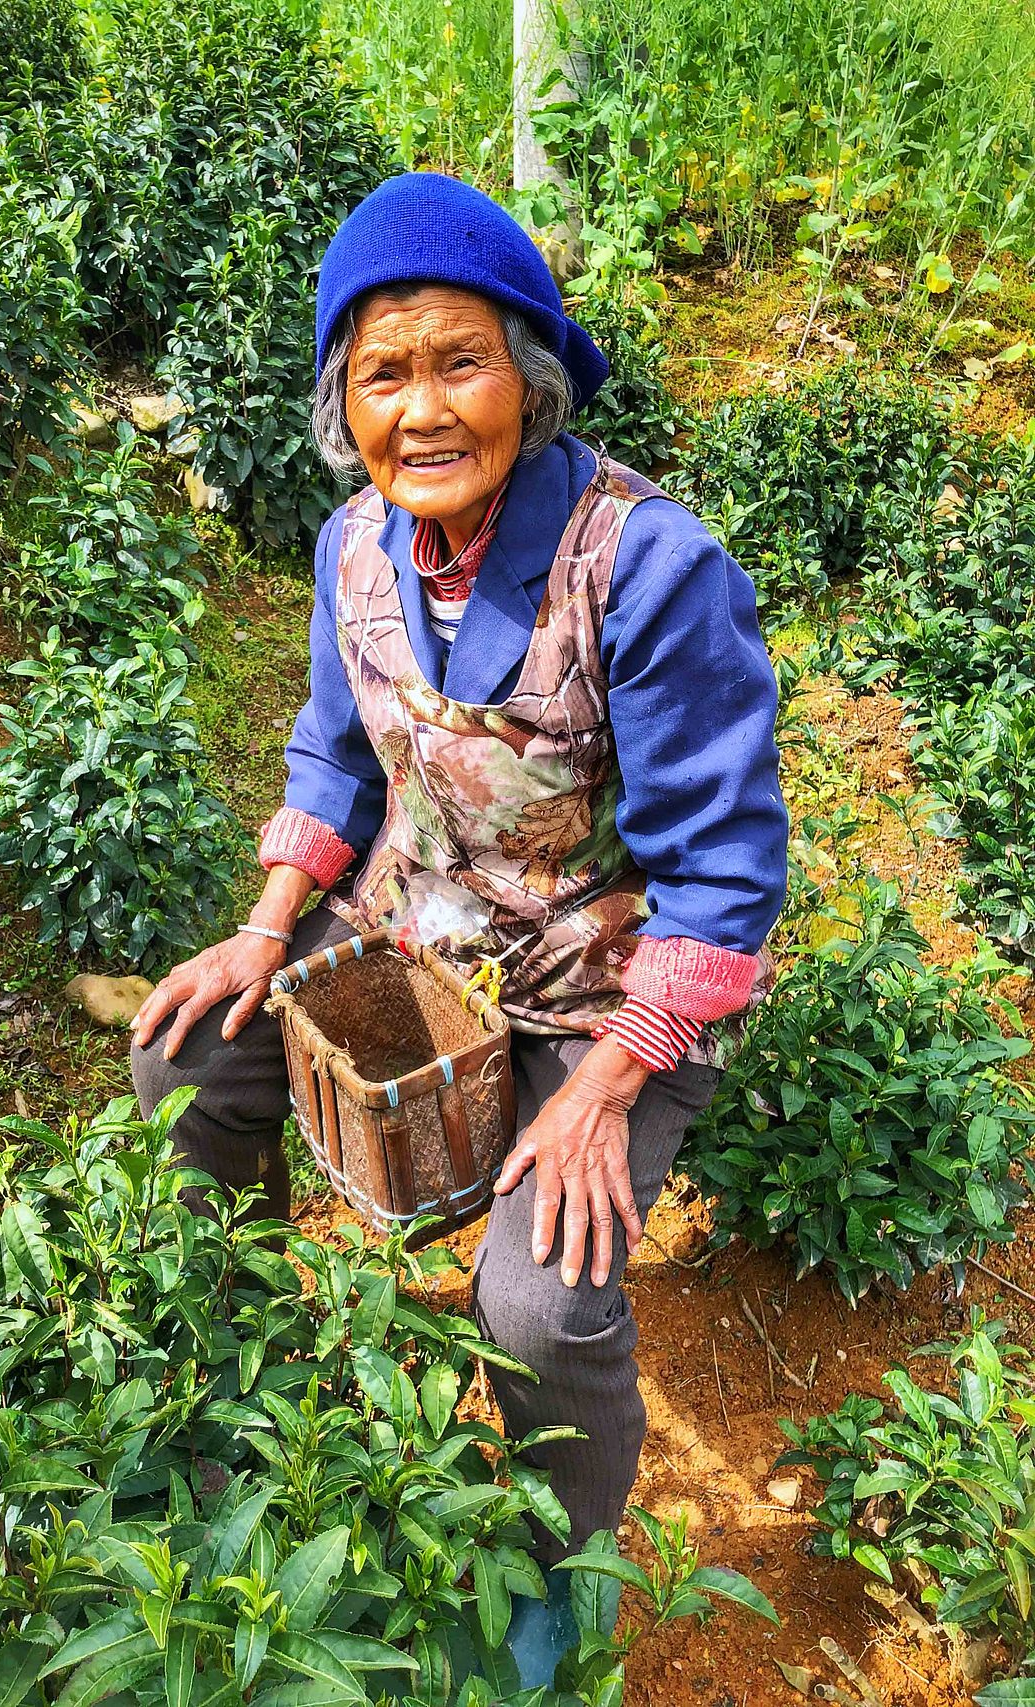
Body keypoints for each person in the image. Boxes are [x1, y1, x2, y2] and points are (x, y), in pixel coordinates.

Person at [131, 170, 788, 1675]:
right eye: (383, 375)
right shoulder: (353, 548)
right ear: (341, 405)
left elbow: (725, 870)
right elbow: (332, 753)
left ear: (532, 380)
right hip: (413, 931)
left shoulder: (646, 567)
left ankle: (566, 1570)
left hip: (598, 990)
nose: (421, 411)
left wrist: (606, 1088)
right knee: (187, 1063)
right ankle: (240, 1388)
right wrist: (266, 925)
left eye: (460, 362)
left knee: (541, 1300)